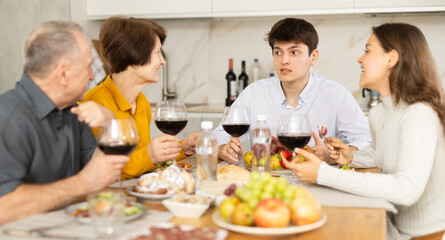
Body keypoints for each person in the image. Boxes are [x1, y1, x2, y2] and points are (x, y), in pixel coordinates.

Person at [284, 23, 445, 239]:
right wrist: (349, 157)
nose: (360, 59)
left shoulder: (419, 113)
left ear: (391, 58)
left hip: (423, 236)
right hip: (392, 223)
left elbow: (407, 189)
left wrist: (323, 174)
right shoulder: (380, 113)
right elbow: (379, 153)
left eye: (367, 50)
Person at [0, 20, 129, 225]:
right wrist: (82, 183)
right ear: (63, 74)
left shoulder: (71, 109)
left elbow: (102, 172)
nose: (93, 75)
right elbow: (3, 207)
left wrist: (109, 123)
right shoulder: (8, 117)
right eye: (88, 67)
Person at [214, 18, 371, 164]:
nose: (284, 60)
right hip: (266, 181)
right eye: (278, 52)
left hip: (318, 181)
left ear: (313, 57)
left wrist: (333, 155)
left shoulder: (336, 94)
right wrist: (223, 149)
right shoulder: (254, 93)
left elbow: (365, 139)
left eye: (294, 52)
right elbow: (220, 135)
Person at [82, 17, 199, 180]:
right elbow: (110, 169)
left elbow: (143, 161)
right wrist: (150, 155)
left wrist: (182, 148)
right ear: (135, 59)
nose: (163, 61)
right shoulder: (95, 103)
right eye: (158, 53)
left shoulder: (141, 101)